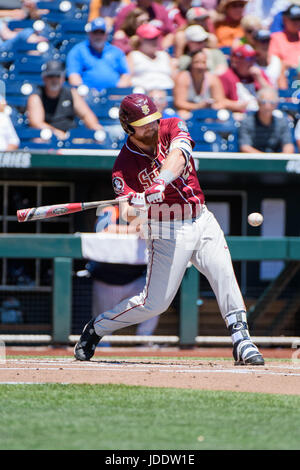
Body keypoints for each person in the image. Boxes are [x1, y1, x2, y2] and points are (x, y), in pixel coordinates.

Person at [74, 92, 265, 367]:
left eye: (153, 119)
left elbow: (179, 154)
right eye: (144, 123)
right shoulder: (123, 167)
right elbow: (126, 212)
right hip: (165, 227)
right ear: (128, 126)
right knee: (155, 304)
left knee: (223, 273)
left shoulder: (172, 125)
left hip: (201, 217)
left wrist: (160, 182)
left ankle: (242, 340)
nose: (152, 126)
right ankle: (97, 328)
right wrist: (137, 204)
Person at [87, 205, 159, 341]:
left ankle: (144, 341)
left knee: (154, 301)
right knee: (102, 317)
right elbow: (102, 230)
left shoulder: (145, 214)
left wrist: (142, 227)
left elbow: (151, 232)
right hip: (107, 278)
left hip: (136, 278)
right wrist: (133, 230)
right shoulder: (110, 210)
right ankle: (101, 345)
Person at [27, 60, 105, 141]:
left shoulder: (71, 93)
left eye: (57, 76)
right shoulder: (36, 97)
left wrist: (94, 127)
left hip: (71, 136)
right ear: (44, 78)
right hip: (48, 137)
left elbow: (86, 114)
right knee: (38, 140)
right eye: (50, 76)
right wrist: (57, 133)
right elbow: (36, 123)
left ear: (63, 78)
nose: (54, 79)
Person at [66, 17, 131, 92]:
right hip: (87, 96)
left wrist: (117, 92)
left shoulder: (116, 52)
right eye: (95, 32)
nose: (98, 36)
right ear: (89, 33)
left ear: (106, 34)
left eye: (101, 32)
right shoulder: (78, 51)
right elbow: (74, 76)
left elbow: (126, 75)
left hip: (112, 96)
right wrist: (84, 92)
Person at [219, 44, 272, 113]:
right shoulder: (227, 76)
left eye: (254, 58)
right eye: (249, 59)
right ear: (236, 61)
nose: (252, 62)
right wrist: (236, 106)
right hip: (238, 116)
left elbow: (272, 96)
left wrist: (259, 79)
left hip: (260, 116)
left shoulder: (259, 74)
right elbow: (219, 101)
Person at [239, 87, 294, 153]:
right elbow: (245, 147)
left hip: (275, 160)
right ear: (258, 103)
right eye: (264, 102)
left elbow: (288, 145)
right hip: (253, 161)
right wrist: (265, 160)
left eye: (272, 102)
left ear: (276, 104)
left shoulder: (282, 122)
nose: (267, 106)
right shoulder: (247, 122)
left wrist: (280, 159)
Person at [173, 50, 226, 118]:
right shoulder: (183, 78)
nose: (200, 66)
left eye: (203, 62)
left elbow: (221, 102)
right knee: (182, 114)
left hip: (208, 112)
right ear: (191, 63)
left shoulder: (213, 79)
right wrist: (198, 106)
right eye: (196, 62)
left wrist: (210, 105)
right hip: (189, 112)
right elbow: (179, 103)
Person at [126, 23, 177, 91]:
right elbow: (127, 79)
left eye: (156, 38)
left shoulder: (164, 55)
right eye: (150, 39)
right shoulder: (134, 55)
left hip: (167, 95)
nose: (154, 41)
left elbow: (175, 78)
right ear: (141, 40)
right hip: (143, 96)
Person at [269, 4, 300, 69]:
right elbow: (272, 61)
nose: (297, 22)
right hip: (284, 74)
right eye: (293, 19)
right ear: (285, 19)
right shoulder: (275, 38)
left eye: (298, 18)